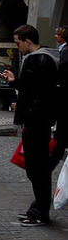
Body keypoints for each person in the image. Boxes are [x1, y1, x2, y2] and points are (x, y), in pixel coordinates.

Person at [1, 25, 59, 227]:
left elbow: (36, 96)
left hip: (36, 122)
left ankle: (40, 212)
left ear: (27, 41)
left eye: (18, 42)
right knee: (37, 168)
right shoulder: (47, 57)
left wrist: (27, 121)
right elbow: (31, 89)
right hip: (40, 120)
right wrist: (14, 82)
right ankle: (37, 208)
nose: (17, 47)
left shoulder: (36, 59)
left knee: (37, 168)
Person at [51, 26, 68, 169]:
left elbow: (62, 69)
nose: (55, 36)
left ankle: (55, 155)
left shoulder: (66, 51)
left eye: (58, 34)